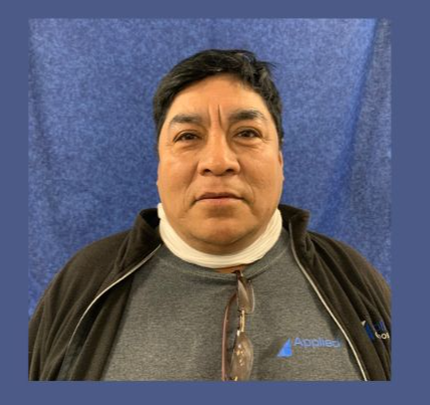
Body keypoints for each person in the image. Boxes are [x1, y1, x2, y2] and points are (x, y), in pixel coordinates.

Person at [28, 49, 391, 381]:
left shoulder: (351, 278)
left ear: (280, 161)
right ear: (159, 166)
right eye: (188, 136)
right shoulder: (83, 284)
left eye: (247, 133)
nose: (218, 162)